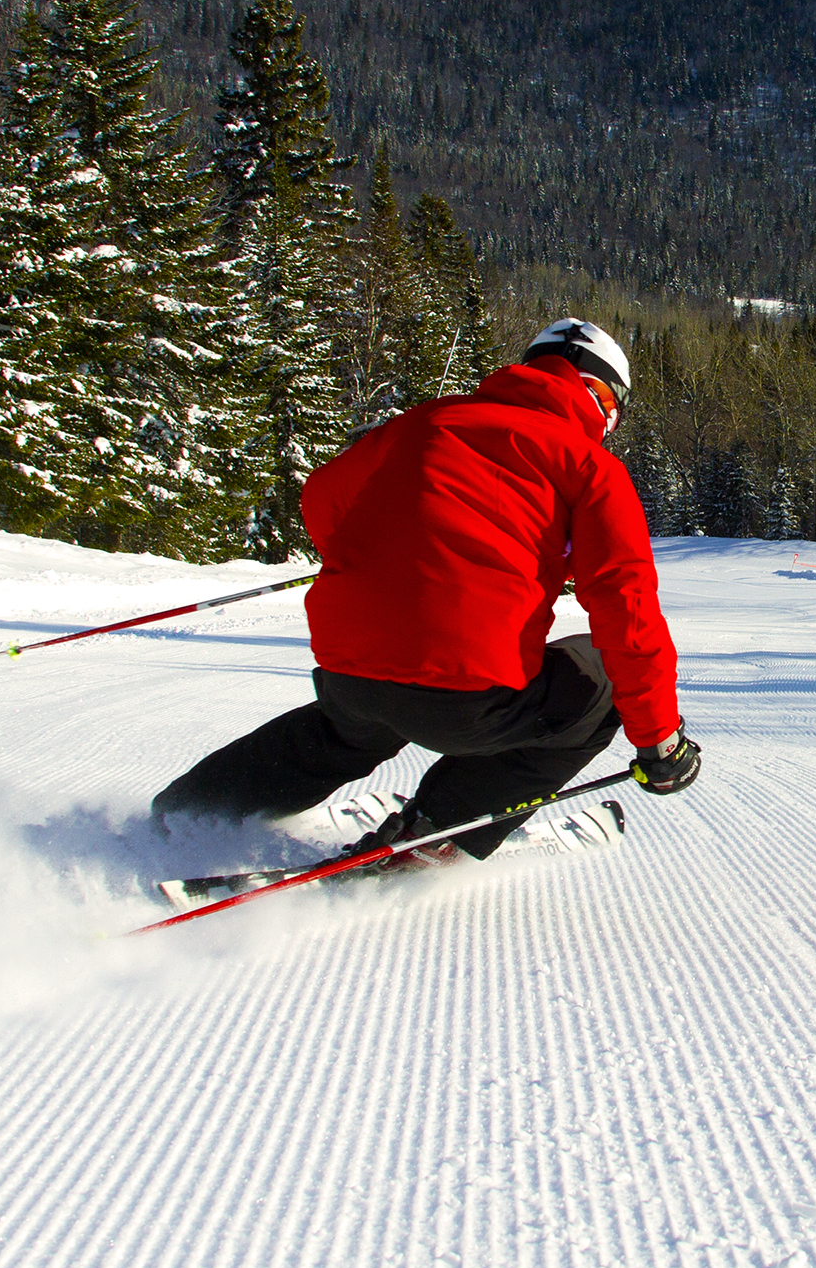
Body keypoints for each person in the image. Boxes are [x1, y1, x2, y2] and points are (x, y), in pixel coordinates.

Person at [152, 316, 701, 867]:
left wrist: (393, 551)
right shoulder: (589, 466)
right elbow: (625, 609)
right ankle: (431, 834)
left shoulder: (430, 420)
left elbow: (321, 497)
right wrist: (659, 741)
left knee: (349, 729)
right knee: (598, 685)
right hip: (466, 699)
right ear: (603, 399)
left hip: (348, 668)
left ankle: (191, 810)